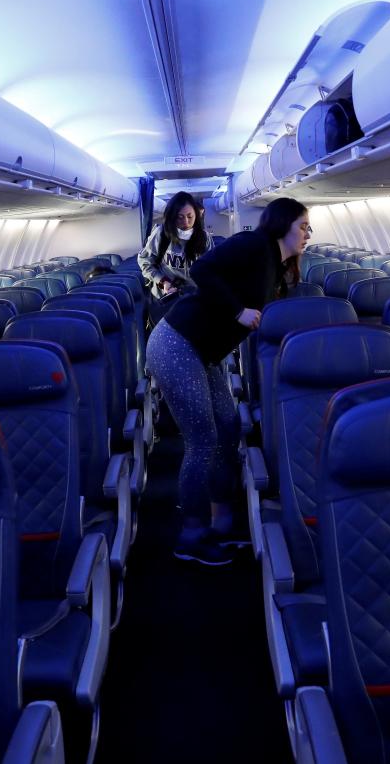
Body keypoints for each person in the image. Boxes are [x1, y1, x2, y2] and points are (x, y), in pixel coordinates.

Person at [145, 197, 312, 565]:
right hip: (176, 343)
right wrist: (238, 311)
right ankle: (190, 535)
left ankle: (222, 525)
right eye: (303, 226)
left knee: (228, 426)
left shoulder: (277, 266)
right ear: (283, 224)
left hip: (205, 351)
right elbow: (203, 270)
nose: (307, 234)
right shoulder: (255, 245)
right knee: (202, 439)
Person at [138, 192, 211, 325]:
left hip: (195, 300)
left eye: (190, 216)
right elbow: (145, 261)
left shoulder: (204, 238)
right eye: (180, 217)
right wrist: (163, 281)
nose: (186, 222)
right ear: (172, 217)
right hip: (166, 300)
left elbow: (212, 269)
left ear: (196, 215)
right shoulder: (161, 234)